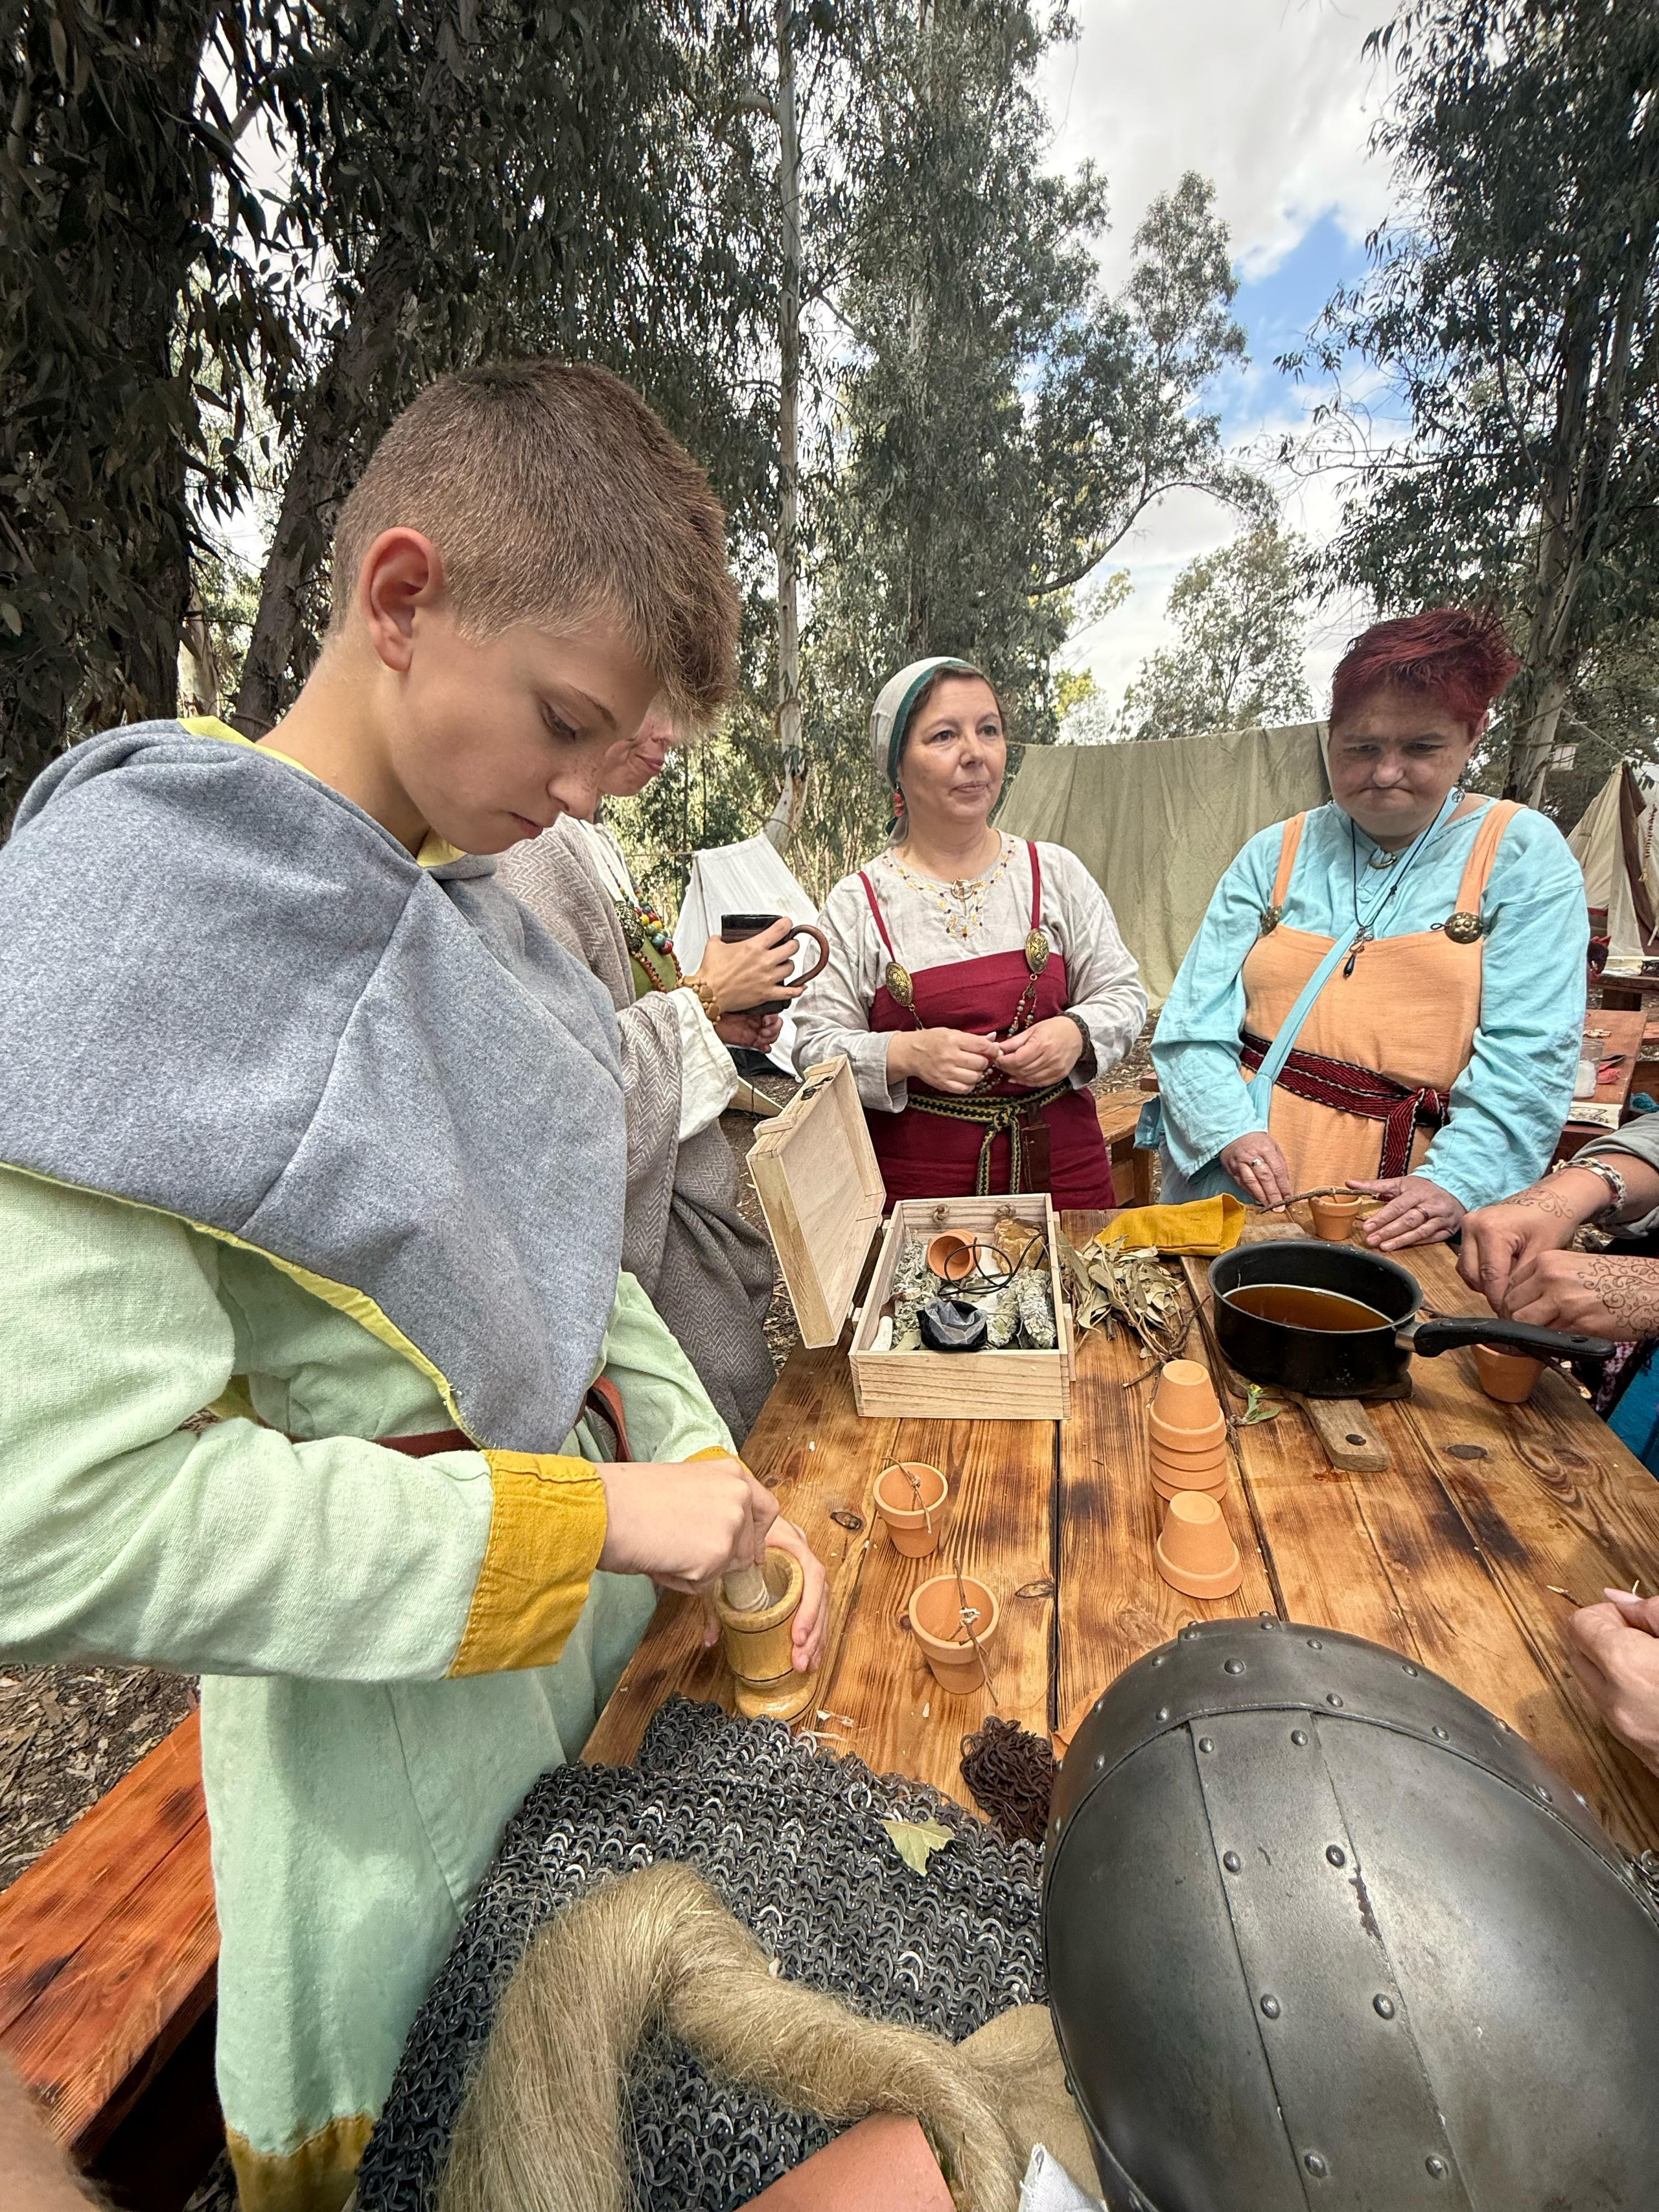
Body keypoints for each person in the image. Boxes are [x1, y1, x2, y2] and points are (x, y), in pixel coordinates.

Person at [0, 361, 827, 2212]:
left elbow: (580, 1266)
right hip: (390, 1783)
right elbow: (46, 1520)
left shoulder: (491, 898)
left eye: (621, 755)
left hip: (600, 1681)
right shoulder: (121, 911)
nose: (580, 787)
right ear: (398, 596)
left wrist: (719, 1492)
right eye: (565, 719)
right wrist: (598, 1515)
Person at [1151, 609, 1588, 1251]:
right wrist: (1227, 1131)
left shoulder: (1518, 853)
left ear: (1473, 735)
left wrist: (1456, 1183)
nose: (1385, 772)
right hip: (1235, 1181)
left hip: (1404, 1207)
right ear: (1330, 738)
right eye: (1361, 748)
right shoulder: (1275, 852)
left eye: (1421, 747)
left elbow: (1530, 1058)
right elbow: (1192, 1020)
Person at [500, 710, 792, 1441]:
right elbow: (569, 1097)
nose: (667, 732)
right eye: (646, 700)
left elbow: (613, 1012)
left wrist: (710, 1018)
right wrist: (702, 1000)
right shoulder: (524, 853)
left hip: (687, 1226)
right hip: (648, 1275)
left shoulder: (587, 840)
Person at [791, 657, 1146, 1205]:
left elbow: (1123, 992)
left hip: (1065, 1177)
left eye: (988, 730)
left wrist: (1074, 1033)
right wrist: (907, 1054)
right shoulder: (859, 903)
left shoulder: (1054, 873)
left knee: (1076, 1293)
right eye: (943, 736)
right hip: (920, 1202)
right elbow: (814, 1050)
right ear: (898, 767)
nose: (974, 754)